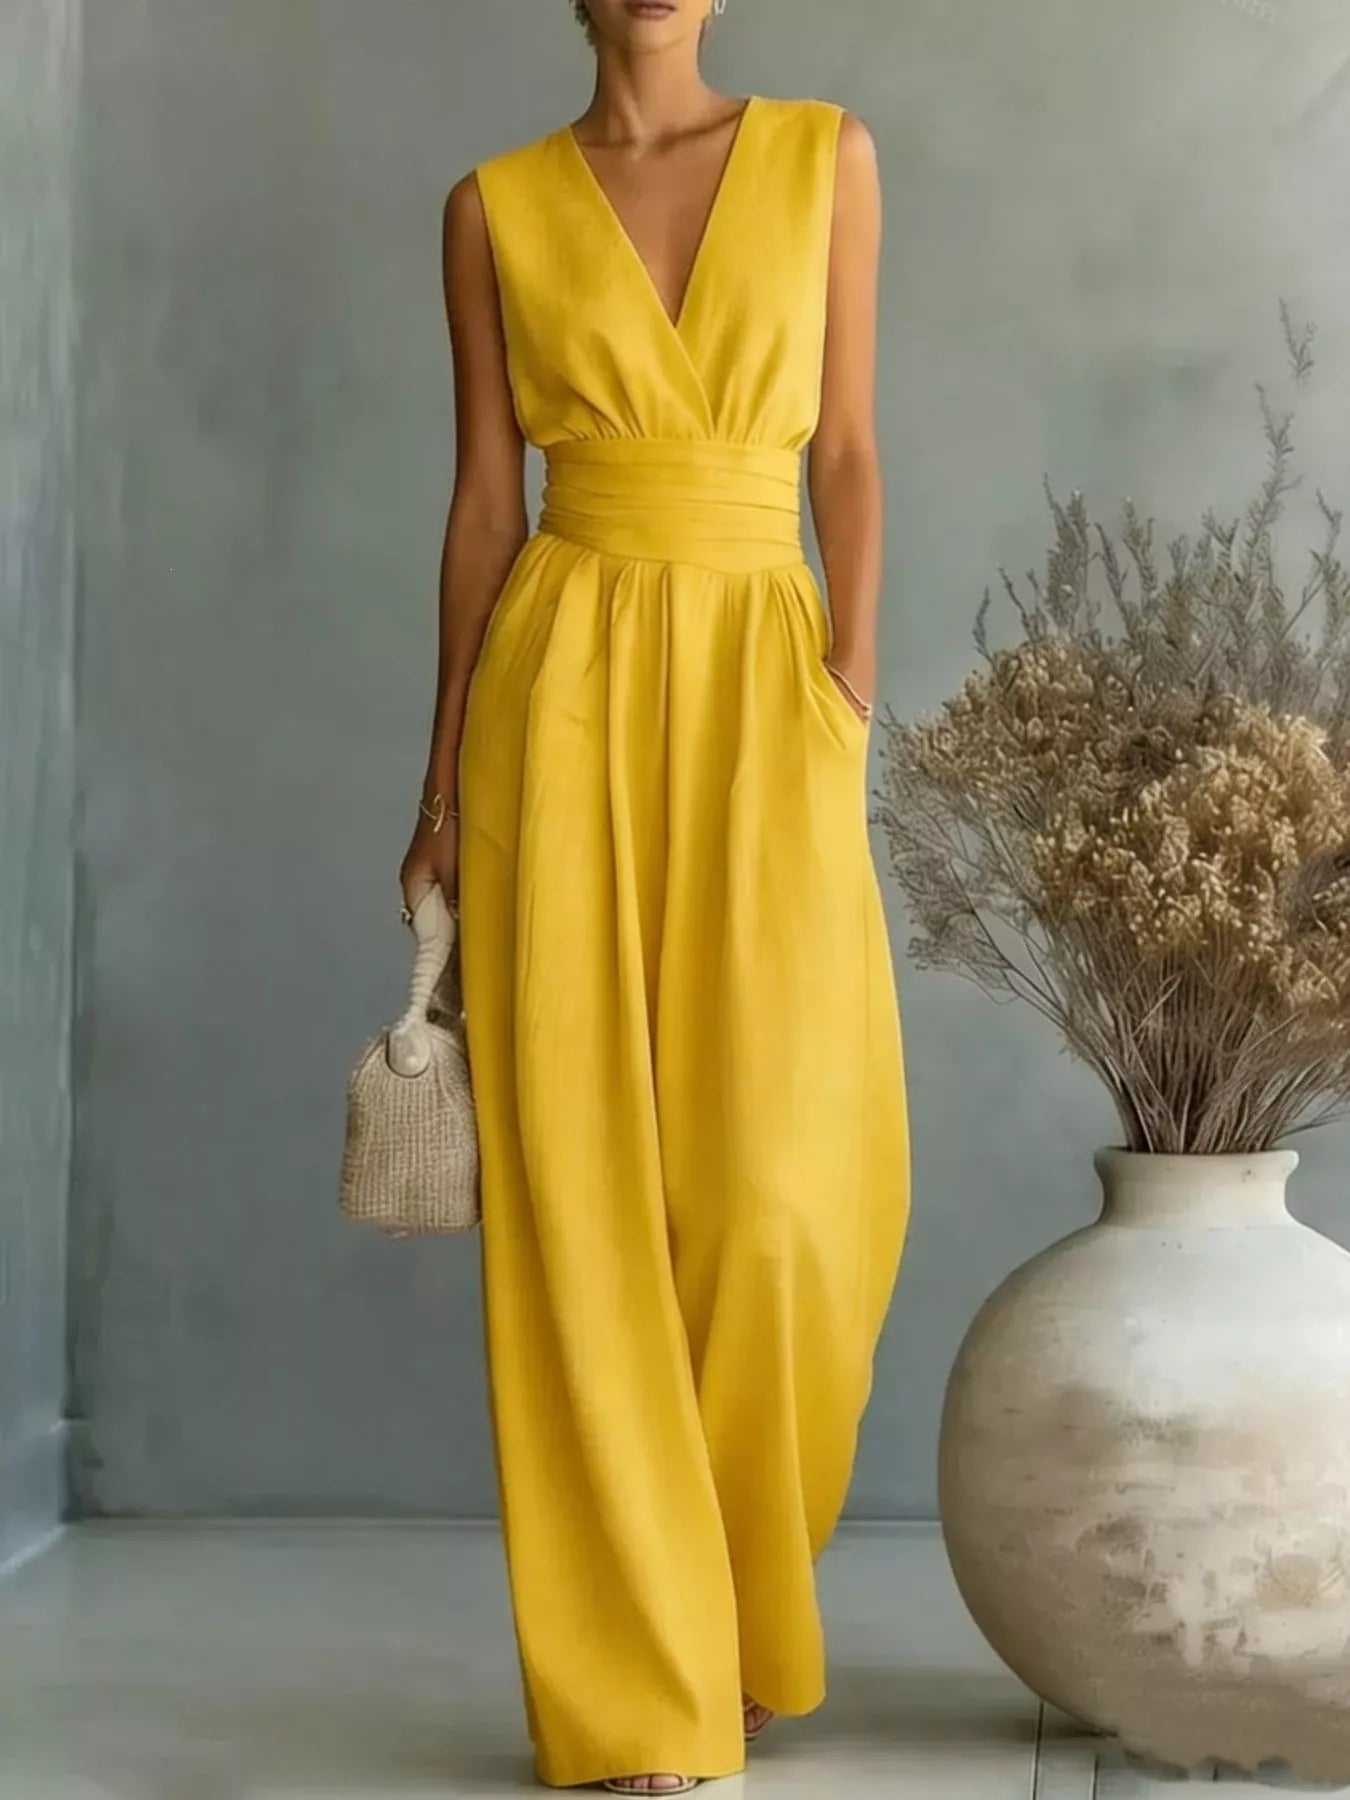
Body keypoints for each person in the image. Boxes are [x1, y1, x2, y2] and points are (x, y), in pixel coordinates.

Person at [399, 1, 911, 1790]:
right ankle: (636, 1692)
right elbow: (484, 508)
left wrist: (849, 684)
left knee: (780, 1198)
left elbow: (844, 450)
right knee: (582, 1196)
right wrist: (440, 783)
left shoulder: (825, 157)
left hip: (767, 680)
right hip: (559, 690)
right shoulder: (493, 206)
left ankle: (741, 1608)